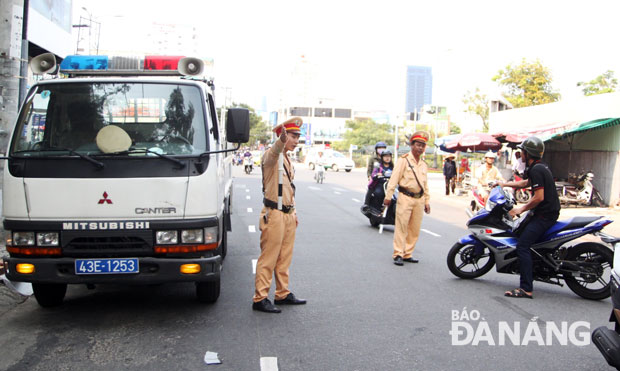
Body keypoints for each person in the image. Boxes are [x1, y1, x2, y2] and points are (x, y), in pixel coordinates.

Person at [253, 117, 307, 313]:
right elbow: (274, 151)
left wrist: (294, 210)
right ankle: (260, 298)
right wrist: (280, 142)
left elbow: (288, 189)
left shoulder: (288, 159)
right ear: (282, 137)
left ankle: (282, 294)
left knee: (285, 257)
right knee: (269, 257)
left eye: (297, 137)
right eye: (293, 136)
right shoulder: (271, 155)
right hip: (274, 213)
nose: (296, 140)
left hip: (287, 214)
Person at [498, 136, 560, 299]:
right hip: (542, 212)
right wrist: (504, 184)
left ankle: (526, 288)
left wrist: (520, 209)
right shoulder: (539, 167)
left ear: (528, 153)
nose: (520, 153)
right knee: (519, 232)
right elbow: (526, 183)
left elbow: (538, 197)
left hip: (544, 215)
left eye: (522, 151)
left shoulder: (537, 169)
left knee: (523, 246)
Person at [384, 131, 431, 266]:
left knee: (414, 228)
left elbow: (425, 184)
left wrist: (427, 201)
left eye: (423, 145)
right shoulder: (403, 160)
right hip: (405, 197)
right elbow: (394, 179)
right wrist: (388, 196)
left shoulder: (423, 164)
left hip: (419, 199)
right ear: (412, 145)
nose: (420, 148)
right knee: (402, 226)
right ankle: (398, 253)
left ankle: (407, 253)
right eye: (418, 145)